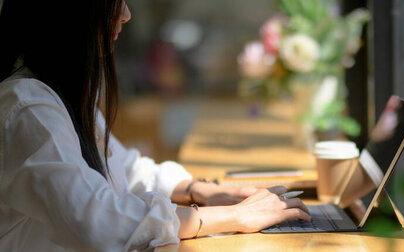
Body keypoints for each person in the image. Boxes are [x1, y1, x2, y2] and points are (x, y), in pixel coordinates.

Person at [0, 0, 311, 251]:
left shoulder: (55, 92)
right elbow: (97, 222)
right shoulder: (28, 106)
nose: (125, 14)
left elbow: (127, 170)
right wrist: (232, 216)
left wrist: (201, 191)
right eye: (114, 1)